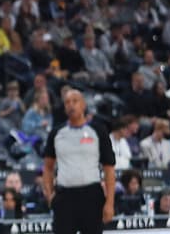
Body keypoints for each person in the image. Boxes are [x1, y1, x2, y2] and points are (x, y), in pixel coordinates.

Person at [42, 90, 115, 234]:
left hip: (91, 195)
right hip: (64, 196)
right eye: (67, 102)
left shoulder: (98, 131)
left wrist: (110, 203)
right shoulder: (56, 133)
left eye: (75, 101)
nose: (71, 105)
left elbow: (109, 169)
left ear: (83, 105)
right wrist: (49, 195)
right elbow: (48, 167)